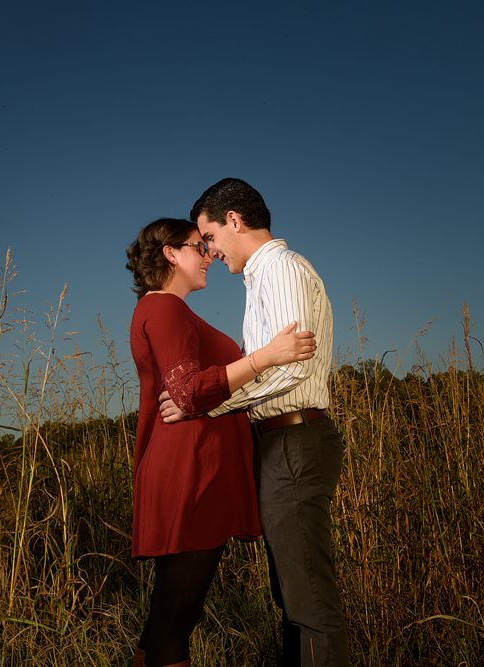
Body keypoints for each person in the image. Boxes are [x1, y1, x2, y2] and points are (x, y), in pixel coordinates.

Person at [159, 178, 349, 667]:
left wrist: (206, 404)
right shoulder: (262, 279)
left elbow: (290, 369)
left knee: (307, 598)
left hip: (294, 437)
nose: (210, 251)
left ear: (235, 221)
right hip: (278, 442)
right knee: (292, 594)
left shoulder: (280, 269)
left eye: (211, 238)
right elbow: (271, 363)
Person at [126, 217, 317, 667]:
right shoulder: (165, 308)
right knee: (176, 620)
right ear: (170, 253)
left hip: (197, 467)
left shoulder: (171, 310)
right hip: (190, 472)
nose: (209, 254)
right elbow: (188, 390)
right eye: (198, 246)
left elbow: (189, 391)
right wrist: (266, 356)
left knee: (163, 619)